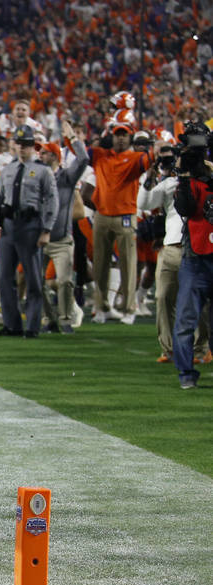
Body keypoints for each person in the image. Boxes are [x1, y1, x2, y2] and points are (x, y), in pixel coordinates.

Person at [138, 141, 211, 364]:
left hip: (198, 249)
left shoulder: (205, 180)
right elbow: (144, 202)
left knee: (199, 302)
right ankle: (168, 349)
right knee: (163, 298)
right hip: (171, 247)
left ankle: (201, 350)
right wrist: (149, 177)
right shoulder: (170, 183)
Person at [0, 125, 58, 338]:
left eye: (26, 145)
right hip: (8, 226)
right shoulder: (7, 170)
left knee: (33, 278)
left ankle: (33, 326)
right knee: (5, 278)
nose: (22, 148)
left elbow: (52, 201)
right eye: (19, 144)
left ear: (33, 147)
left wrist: (46, 229)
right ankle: (12, 324)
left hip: (30, 226)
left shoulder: (43, 171)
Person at [87, 109, 153, 324]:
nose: (121, 138)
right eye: (118, 134)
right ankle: (101, 306)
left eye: (125, 134)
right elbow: (80, 151)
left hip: (126, 216)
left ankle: (129, 306)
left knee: (128, 263)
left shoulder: (135, 158)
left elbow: (152, 157)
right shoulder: (100, 156)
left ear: (130, 137)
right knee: (101, 264)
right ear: (112, 136)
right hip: (102, 216)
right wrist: (70, 135)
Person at [170, 122, 213, 389]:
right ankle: (186, 373)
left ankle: (187, 373)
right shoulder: (188, 174)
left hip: (197, 257)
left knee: (186, 319)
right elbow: (185, 208)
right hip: (195, 256)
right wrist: (184, 177)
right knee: (185, 319)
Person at [38, 122, 88, 333]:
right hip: (39, 238)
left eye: (44, 153)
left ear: (55, 156)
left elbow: (84, 159)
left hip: (61, 239)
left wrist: (72, 139)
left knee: (65, 281)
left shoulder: (66, 177)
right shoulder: (36, 177)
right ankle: (49, 319)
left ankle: (66, 319)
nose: (40, 156)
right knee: (35, 283)